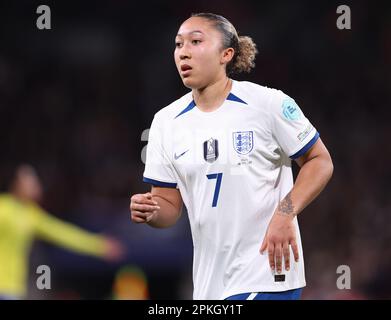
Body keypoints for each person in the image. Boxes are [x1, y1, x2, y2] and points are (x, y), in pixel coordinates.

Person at [130, 13, 333, 300]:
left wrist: (285, 214)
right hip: (210, 284)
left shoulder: (268, 104)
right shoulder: (166, 122)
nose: (183, 51)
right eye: (178, 44)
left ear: (226, 54)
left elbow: (319, 161)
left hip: (266, 272)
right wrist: (151, 211)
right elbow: (168, 205)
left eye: (196, 41)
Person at [0, 164, 124, 299]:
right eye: (29, 181)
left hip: (13, 288)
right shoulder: (4, 208)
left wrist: (98, 245)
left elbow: (62, 233)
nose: (34, 185)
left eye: (34, 181)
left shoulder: (30, 214)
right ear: (16, 184)